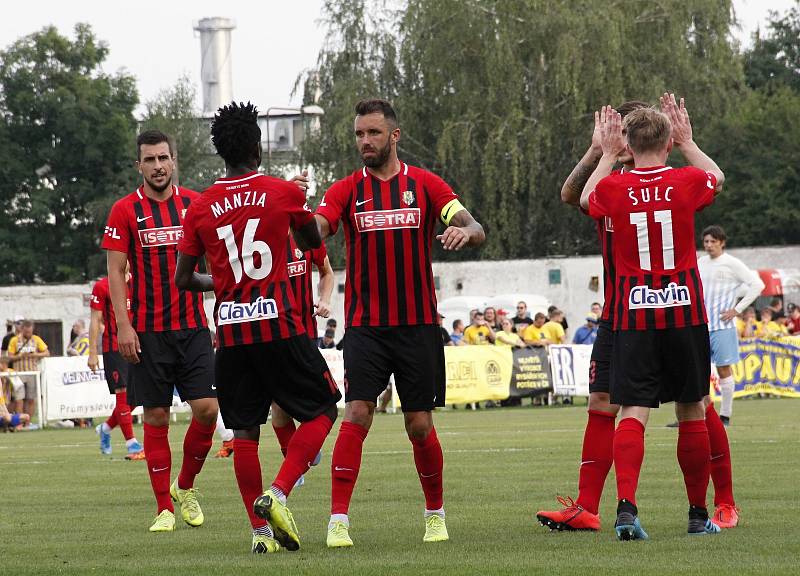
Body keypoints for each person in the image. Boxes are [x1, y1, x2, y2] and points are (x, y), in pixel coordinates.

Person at [539, 96, 738, 534]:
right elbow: (570, 194)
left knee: (689, 405)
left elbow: (583, 197)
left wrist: (606, 154)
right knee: (606, 402)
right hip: (631, 313)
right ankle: (590, 507)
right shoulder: (634, 177)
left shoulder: (611, 188)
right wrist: (598, 151)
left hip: (635, 309)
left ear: (631, 139)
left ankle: (722, 499)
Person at [315, 98, 484, 548]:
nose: (364, 141)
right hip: (366, 327)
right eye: (358, 134)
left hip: (417, 326)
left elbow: (473, 225)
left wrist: (465, 232)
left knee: (419, 425)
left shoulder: (426, 186)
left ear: (394, 136)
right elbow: (316, 229)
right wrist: (297, 215)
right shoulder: (345, 190)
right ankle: (337, 520)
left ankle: (434, 513)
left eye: (372, 133)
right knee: (357, 412)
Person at [174, 101, 341, 554]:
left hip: (230, 334)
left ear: (221, 152)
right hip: (280, 325)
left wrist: (224, 280)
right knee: (324, 408)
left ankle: (260, 535)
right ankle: (280, 491)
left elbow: (183, 278)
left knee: (245, 432)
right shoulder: (281, 192)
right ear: (257, 146)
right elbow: (310, 244)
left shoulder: (201, 206)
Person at [102, 129, 219, 533]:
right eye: (149, 160)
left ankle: (185, 487)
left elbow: (217, 263)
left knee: (207, 409)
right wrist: (124, 326)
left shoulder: (196, 204)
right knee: (155, 416)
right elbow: (116, 272)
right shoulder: (124, 210)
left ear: (174, 161)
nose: (157, 166)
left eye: (163, 158)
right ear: (139, 165)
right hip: (148, 332)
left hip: (193, 328)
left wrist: (221, 316)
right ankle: (163, 508)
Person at [698, 225, 764, 426]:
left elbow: (757, 285)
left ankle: (725, 415)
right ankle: (697, 414)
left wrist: (737, 309)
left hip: (722, 326)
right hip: (700, 326)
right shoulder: (700, 263)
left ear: (722, 242)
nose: (709, 245)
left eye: (713, 242)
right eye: (706, 242)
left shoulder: (731, 263)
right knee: (697, 372)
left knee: (723, 369)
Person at [88, 274, 144, 460]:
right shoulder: (102, 286)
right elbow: (95, 320)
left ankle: (105, 429)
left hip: (138, 344)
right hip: (114, 347)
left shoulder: (139, 281)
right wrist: (92, 352)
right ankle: (132, 444)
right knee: (123, 392)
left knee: (137, 394)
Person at [6, 320, 49, 420]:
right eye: (26, 332)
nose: (28, 334)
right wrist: (19, 356)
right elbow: (9, 356)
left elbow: (46, 352)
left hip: (32, 372)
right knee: (19, 399)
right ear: (22, 330)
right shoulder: (14, 340)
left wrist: (35, 355)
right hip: (18, 373)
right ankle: (19, 421)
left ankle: (28, 422)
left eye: (30, 332)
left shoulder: (36, 339)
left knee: (31, 399)